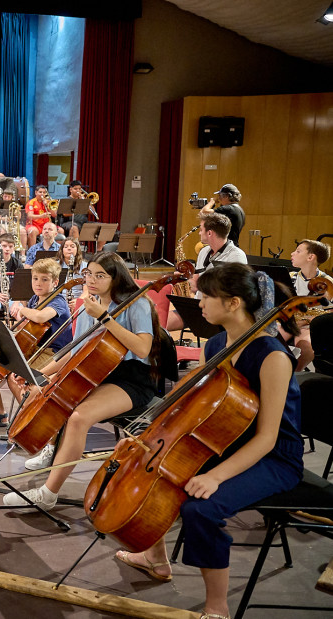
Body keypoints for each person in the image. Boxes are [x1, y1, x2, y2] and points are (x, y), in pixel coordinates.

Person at [111, 263, 302, 619]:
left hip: (273, 458)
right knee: (160, 473)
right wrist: (153, 432)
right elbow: (197, 406)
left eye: (205, 295)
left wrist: (215, 476)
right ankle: (155, 558)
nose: (197, 301)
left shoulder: (273, 357)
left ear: (233, 303)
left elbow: (267, 438)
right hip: (225, 441)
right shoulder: (215, 343)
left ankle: (217, 606)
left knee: (201, 509)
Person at [4, 251, 165, 510]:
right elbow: (74, 351)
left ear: (116, 278)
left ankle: (48, 493)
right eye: (88, 274)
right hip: (97, 372)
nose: (91, 280)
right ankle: (52, 450)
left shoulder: (137, 304)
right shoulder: (88, 304)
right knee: (52, 395)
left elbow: (143, 349)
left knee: (79, 416)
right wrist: (40, 373)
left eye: (100, 276)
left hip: (132, 379)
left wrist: (104, 317)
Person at [0, 258, 72, 427]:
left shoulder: (58, 301)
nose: (38, 283)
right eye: (35, 278)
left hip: (53, 353)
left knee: (14, 377)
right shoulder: (35, 299)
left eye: (44, 279)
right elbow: (30, 324)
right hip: (35, 349)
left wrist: (21, 309)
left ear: (55, 282)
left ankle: (31, 420)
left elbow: (40, 317)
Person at [167, 212, 246, 330]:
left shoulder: (236, 256)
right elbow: (196, 283)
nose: (199, 233)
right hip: (197, 307)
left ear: (210, 233)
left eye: (201, 229)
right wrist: (184, 280)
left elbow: (233, 291)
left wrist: (199, 285)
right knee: (158, 322)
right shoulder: (204, 252)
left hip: (220, 312)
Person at [288, 239, 332, 371]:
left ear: (311, 257)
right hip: (287, 321)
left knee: (305, 347)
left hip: (308, 325)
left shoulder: (328, 283)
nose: (292, 253)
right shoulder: (290, 277)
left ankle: (293, 377)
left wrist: (308, 320)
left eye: (298, 251)